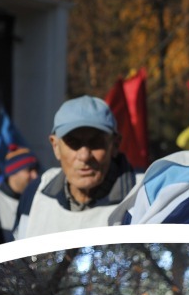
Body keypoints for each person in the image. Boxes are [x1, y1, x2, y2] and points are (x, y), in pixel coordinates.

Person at [14, 96, 144, 239]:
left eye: (96, 142)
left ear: (115, 145)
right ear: (55, 146)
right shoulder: (35, 194)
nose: (84, 156)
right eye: (73, 143)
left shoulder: (143, 195)